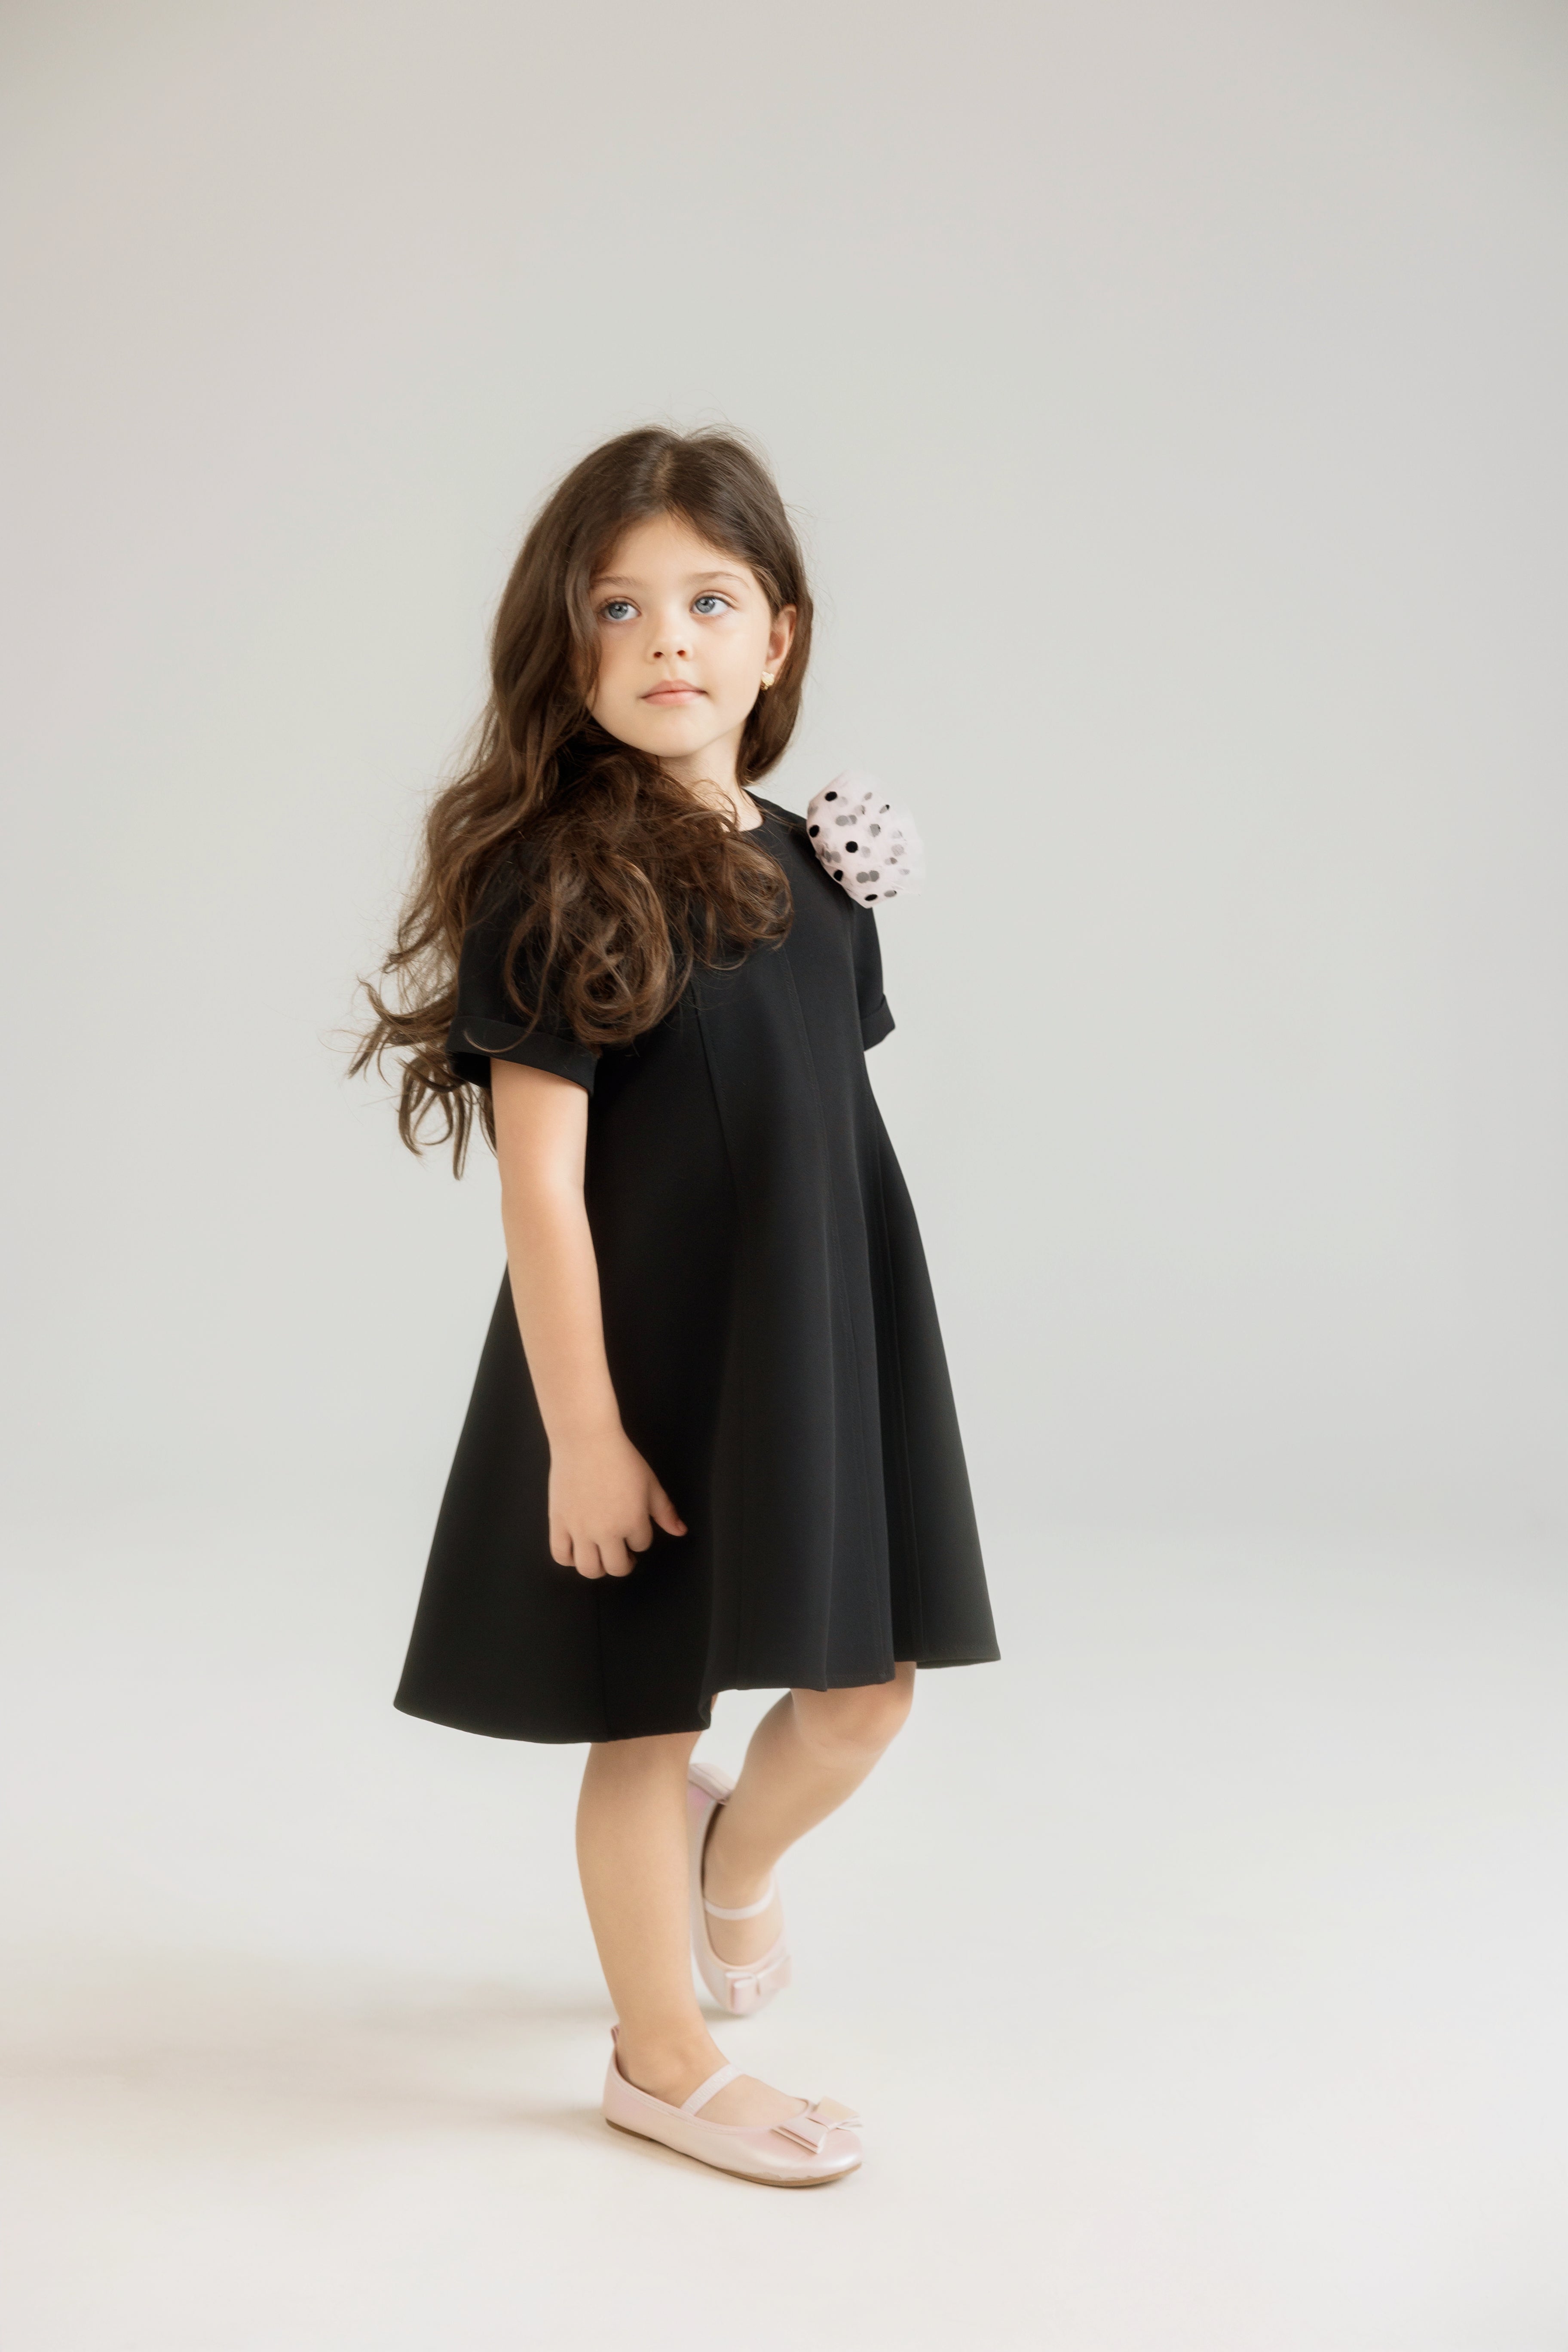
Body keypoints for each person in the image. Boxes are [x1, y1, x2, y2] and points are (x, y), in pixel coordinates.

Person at [354, 425, 998, 2187]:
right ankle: (661, 2057)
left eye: (709, 603)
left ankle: (737, 1864)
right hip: (638, 1354)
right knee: (646, 1713)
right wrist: (584, 1429)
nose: (667, 642)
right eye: (619, 607)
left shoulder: (821, 868)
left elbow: (812, 1117)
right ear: (567, 645)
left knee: (866, 1694)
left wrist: (849, 1352)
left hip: (811, 1337)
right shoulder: (557, 876)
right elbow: (540, 1184)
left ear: (778, 638)